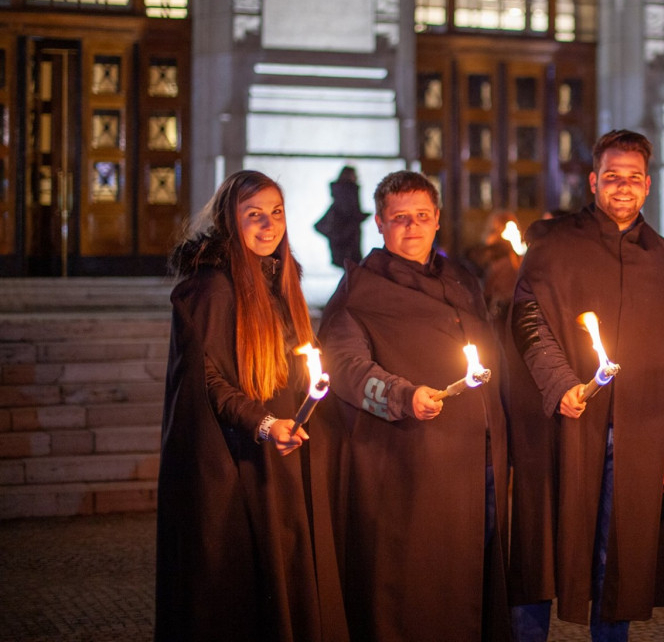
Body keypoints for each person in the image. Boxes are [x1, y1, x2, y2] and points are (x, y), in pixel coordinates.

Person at [508, 129, 664, 641]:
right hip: (566, 423)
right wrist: (559, 381)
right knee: (542, 552)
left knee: (620, 560)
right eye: (612, 176)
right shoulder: (553, 242)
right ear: (593, 181)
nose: (623, 186)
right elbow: (527, 316)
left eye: (633, 178)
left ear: (648, 185)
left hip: (639, 432)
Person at [156, 170, 347, 642]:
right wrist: (263, 424)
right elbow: (208, 380)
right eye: (254, 215)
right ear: (229, 220)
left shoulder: (282, 280)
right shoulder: (212, 289)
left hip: (283, 450)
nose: (269, 225)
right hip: (240, 459)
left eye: (276, 213)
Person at [318, 171, 510, 641]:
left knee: (474, 583)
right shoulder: (359, 288)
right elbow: (343, 364)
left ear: (438, 220)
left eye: (422, 216)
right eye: (400, 218)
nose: (413, 227)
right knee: (416, 591)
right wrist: (403, 395)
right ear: (380, 223)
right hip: (412, 464)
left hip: (479, 461)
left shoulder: (462, 279)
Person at [314, 165, 370, 267]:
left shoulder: (342, 195)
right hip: (347, 247)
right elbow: (349, 216)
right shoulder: (348, 192)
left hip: (346, 246)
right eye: (354, 175)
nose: (357, 177)